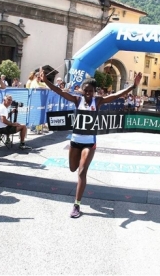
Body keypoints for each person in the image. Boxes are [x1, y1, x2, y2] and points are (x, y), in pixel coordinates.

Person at [42, 70, 142, 218]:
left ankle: (76, 204)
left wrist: (133, 86)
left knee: (82, 172)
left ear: (95, 92)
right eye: (86, 90)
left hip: (89, 143)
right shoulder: (77, 100)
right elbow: (59, 91)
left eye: (91, 91)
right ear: (82, 91)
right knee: (73, 168)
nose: (88, 93)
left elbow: (116, 95)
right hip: (75, 140)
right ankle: (78, 196)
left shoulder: (98, 101)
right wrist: (45, 80)